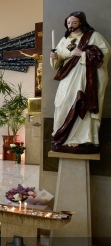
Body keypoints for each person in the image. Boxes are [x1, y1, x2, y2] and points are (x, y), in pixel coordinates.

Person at [50, 11, 109, 153]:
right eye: (68, 23)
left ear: (81, 22)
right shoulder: (65, 40)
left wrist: (82, 54)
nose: (71, 25)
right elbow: (58, 61)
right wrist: (54, 57)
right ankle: (64, 136)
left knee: (82, 102)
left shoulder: (93, 36)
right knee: (63, 102)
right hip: (68, 75)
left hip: (85, 75)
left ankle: (81, 138)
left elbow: (104, 54)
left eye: (74, 22)